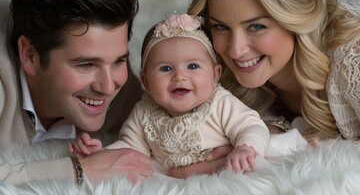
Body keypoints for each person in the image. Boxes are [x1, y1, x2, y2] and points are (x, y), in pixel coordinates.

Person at [167, 0, 360, 178]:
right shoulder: (209, 62)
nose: (235, 50)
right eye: (221, 26)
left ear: (294, 19)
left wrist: (283, 147)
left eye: (256, 26)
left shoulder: (351, 57)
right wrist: (268, 133)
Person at [0, 0, 153, 185]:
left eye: (119, 61)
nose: (108, 87)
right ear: (30, 56)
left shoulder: (123, 87)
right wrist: (77, 170)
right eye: (86, 65)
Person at [69, 13, 270, 174]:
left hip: (225, 176)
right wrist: (101, 154)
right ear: (145, 81)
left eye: (192, 66)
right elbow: (130, 149)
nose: (179, 77)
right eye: (166, 69)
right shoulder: (143, 112)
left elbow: (252, 126)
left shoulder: (220, 103)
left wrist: (246, 148)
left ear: (215, 74)